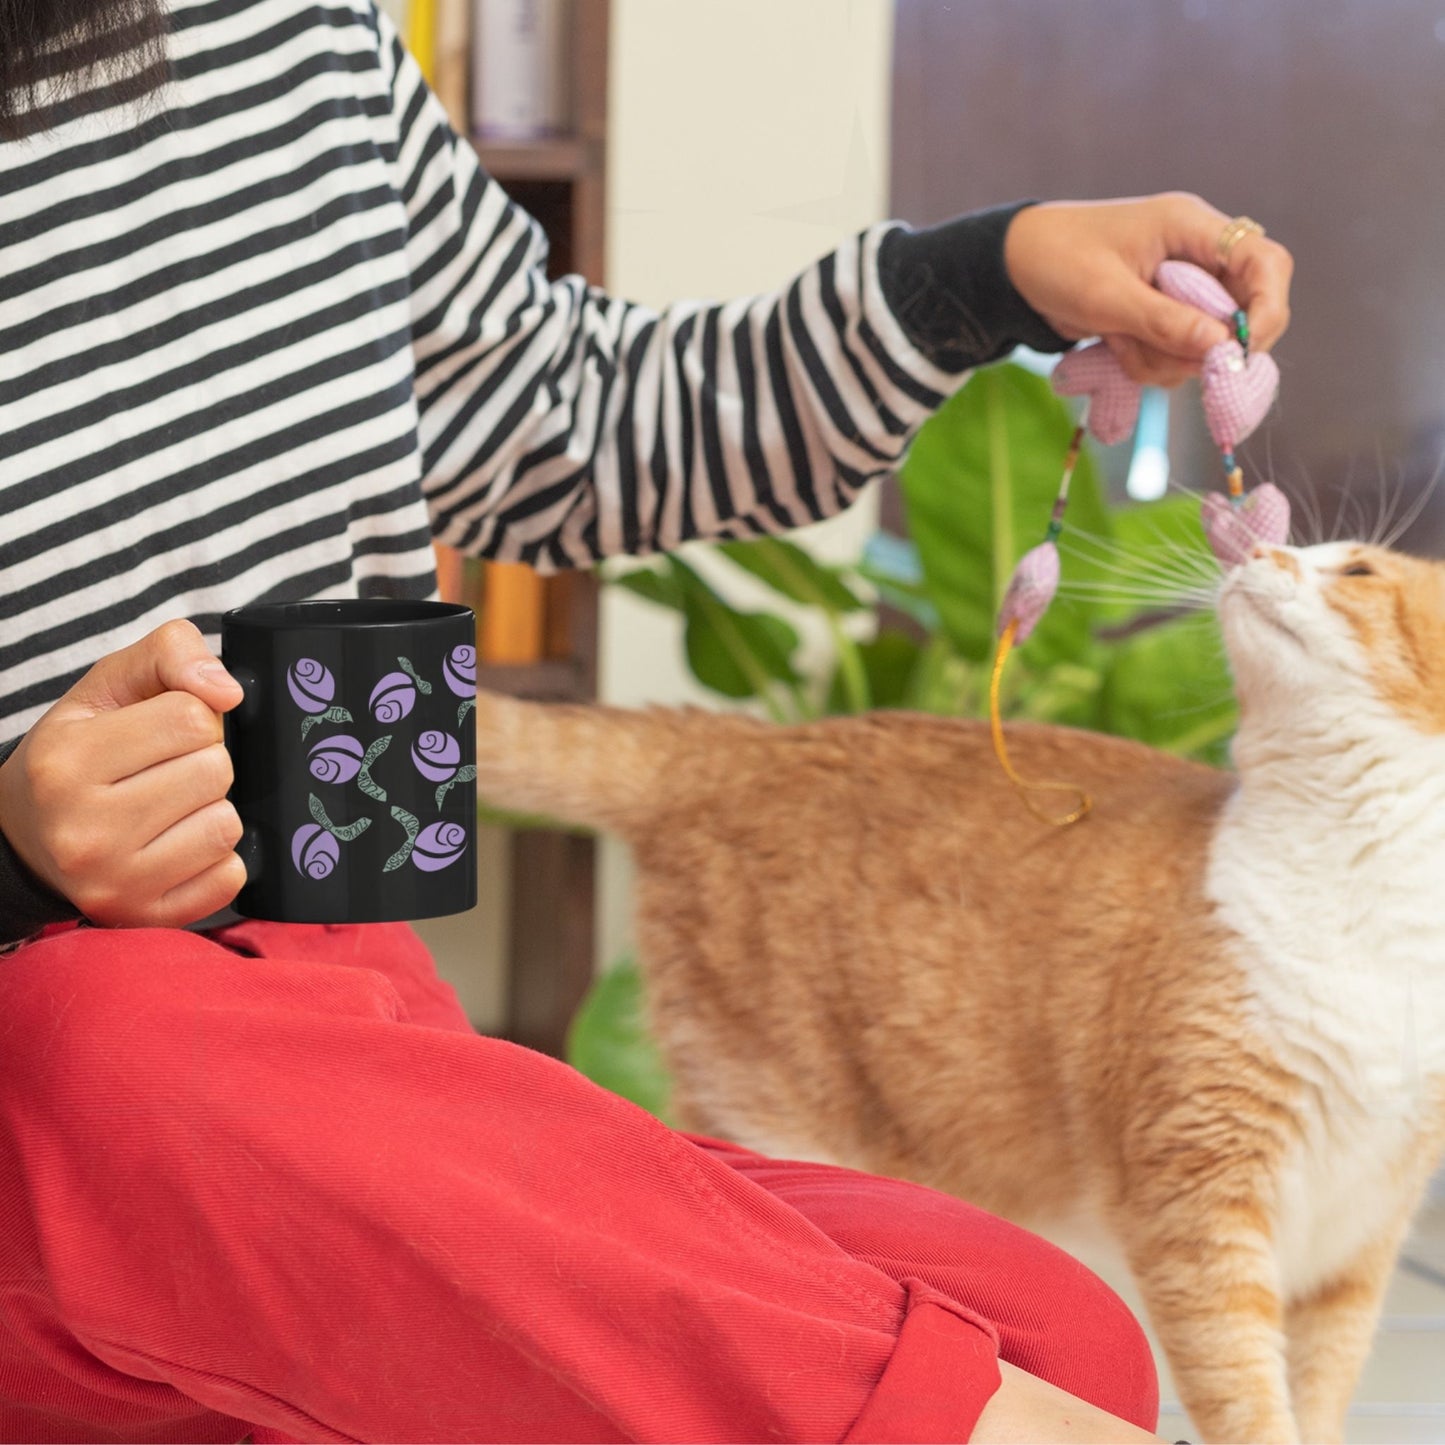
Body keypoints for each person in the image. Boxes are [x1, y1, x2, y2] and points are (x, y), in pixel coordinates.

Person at [0, 0, 1293, 1439]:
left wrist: (982, 277)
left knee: (1051, 1335)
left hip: (346, 1027)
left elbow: (561, 417)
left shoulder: (296, 32)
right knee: (100, 1037)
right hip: (73, 1086)